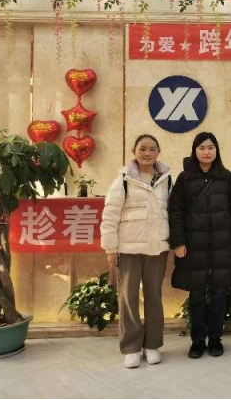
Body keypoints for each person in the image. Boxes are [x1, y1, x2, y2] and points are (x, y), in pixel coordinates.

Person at [169, 132, 231, 359]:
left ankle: (215, 339)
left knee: (220, 293)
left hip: (223, 244)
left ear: (216, 150)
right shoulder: (185, 178)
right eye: (201, 148)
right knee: (197, 294)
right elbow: (175, 212)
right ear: (194, 151)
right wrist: (178, 242)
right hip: (194, 245)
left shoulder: (226, 177)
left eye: (210, 147)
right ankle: (197, 341)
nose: (206, 152)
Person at [100, 134, 171, 369]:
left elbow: (173, 212)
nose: (147, 153)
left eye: (152, 149)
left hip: (157, 248)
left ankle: (152, 345)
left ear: (158, 152)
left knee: (154, 297)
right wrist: (111, 248)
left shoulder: (167, 179)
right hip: (129, 249)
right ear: (134, 151)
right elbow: (110, 215)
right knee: (128, 297)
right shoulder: (123, 179)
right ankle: (131, 347)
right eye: (142, 149)